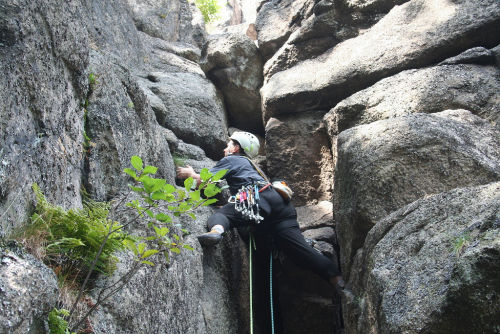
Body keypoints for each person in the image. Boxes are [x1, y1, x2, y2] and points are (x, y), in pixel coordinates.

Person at [176, 131, 342, 287]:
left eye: (228, 145)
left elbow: (204, 181)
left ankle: (216, 232)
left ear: (236, 148)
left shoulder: (232, 159)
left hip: (256, 197)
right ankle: (338, 282)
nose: (224, 149)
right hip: (282, 206)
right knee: (302, 252)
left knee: (223, 216)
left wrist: (190, 173)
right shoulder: (255, 168)